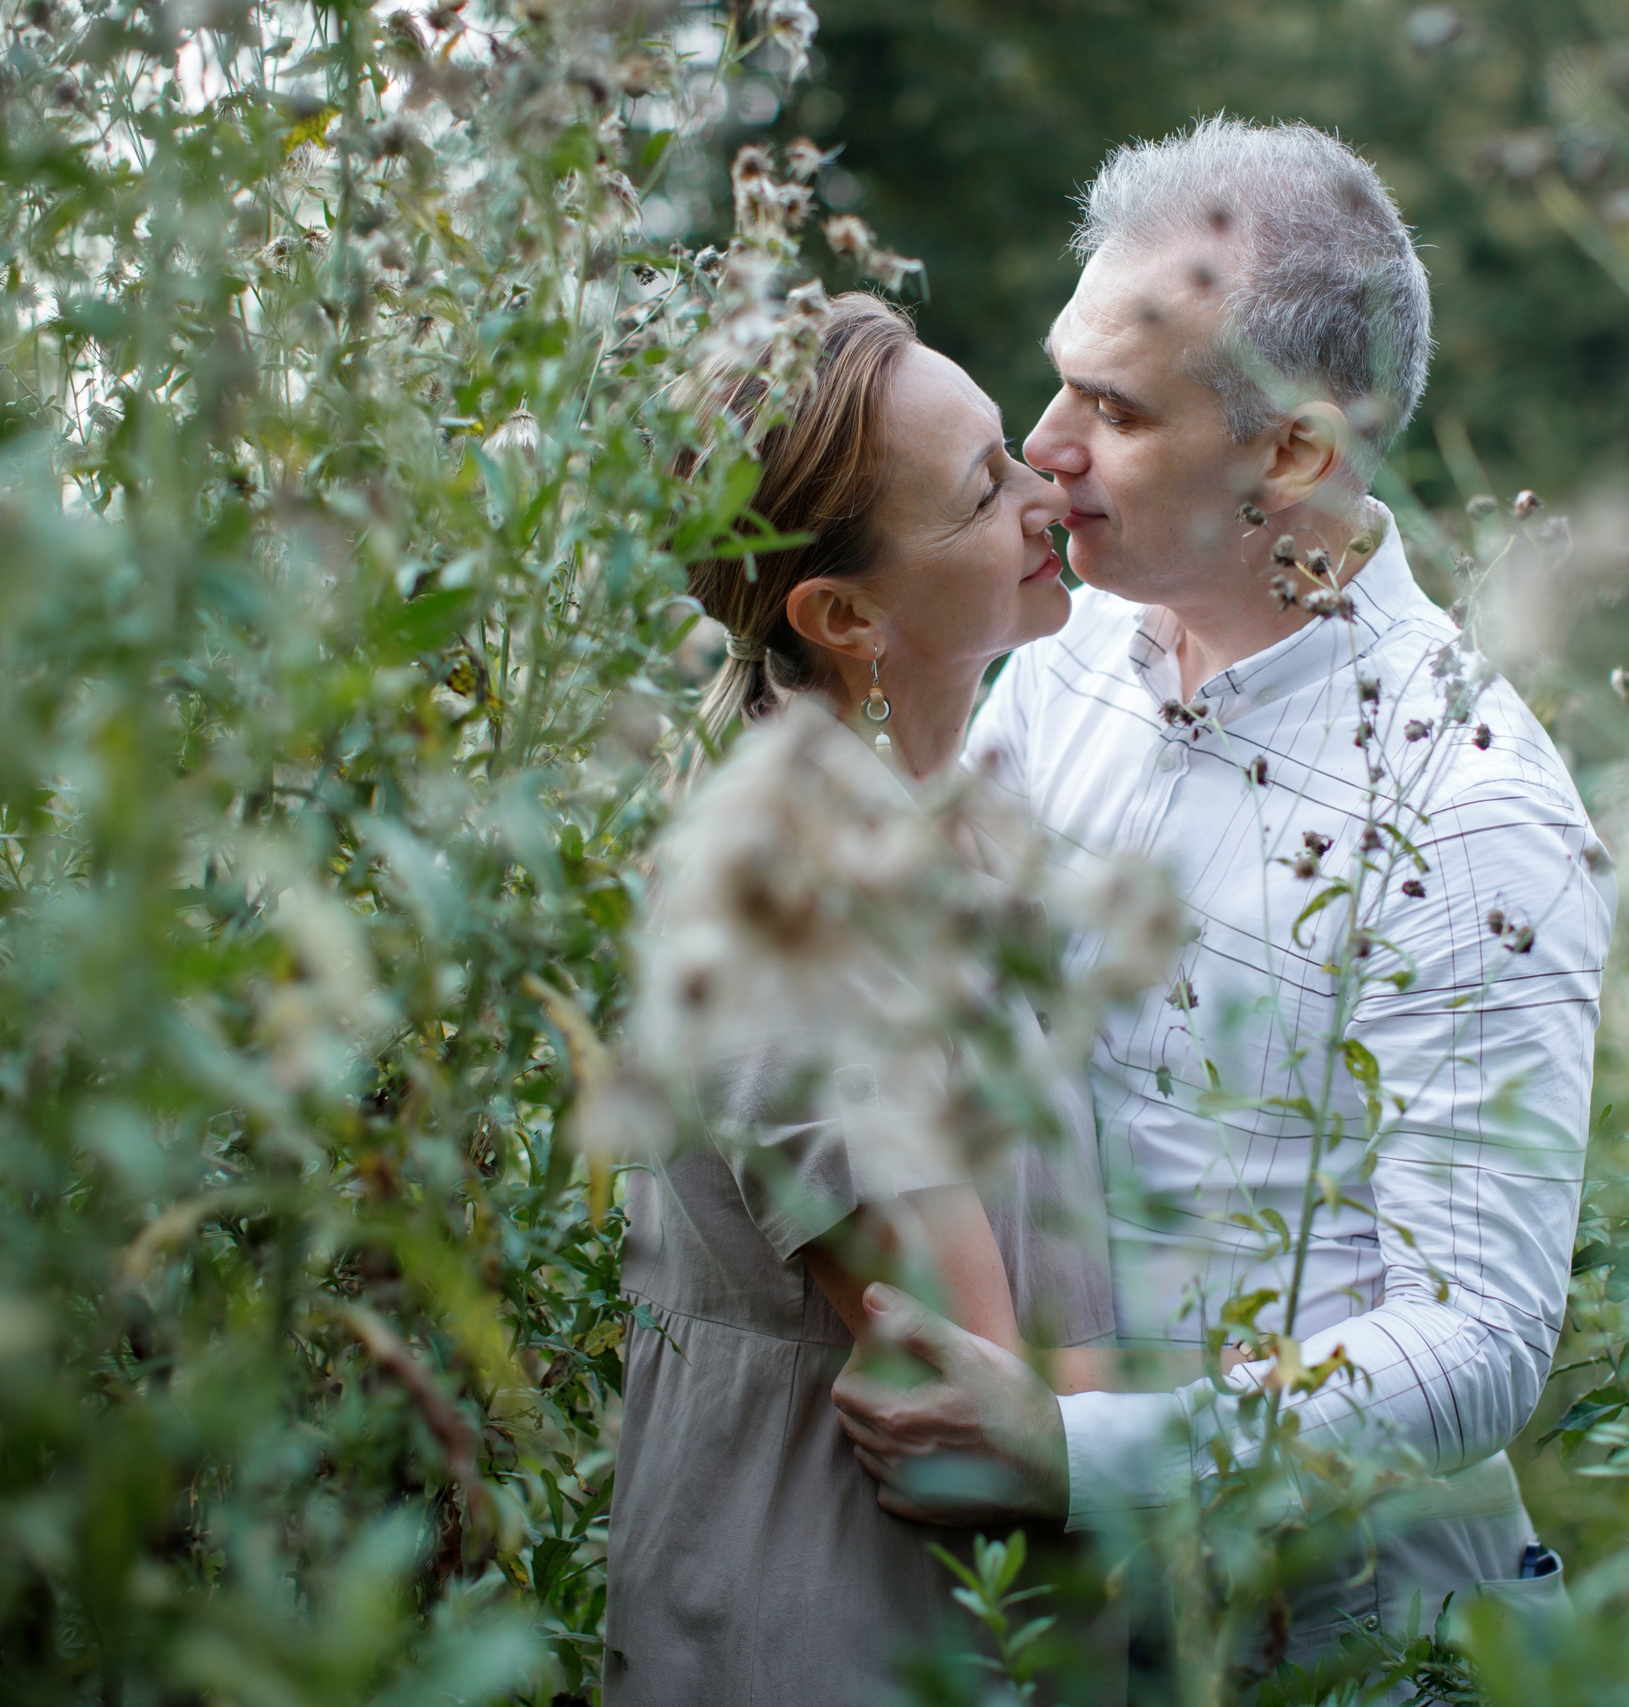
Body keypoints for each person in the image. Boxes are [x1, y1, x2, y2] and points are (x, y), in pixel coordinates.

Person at [829, 118, 1618, 1666]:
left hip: (1338, 1647)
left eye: (1113, 409)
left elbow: (1481, 1342)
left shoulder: (1465, 806)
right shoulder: (1055, 666)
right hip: (1051, 1640)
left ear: (1295, 454)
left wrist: (1073, 1456)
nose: (1045, 445)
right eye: (1061, 376)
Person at [600, 293, 1116, 1706]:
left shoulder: (952, 837)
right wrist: (1328, 1410)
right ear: (845, 616)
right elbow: (968, 1411)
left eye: (1013, 450)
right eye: (980, 490)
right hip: (838, 1637)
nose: (1042, 492)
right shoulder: (795, 908)